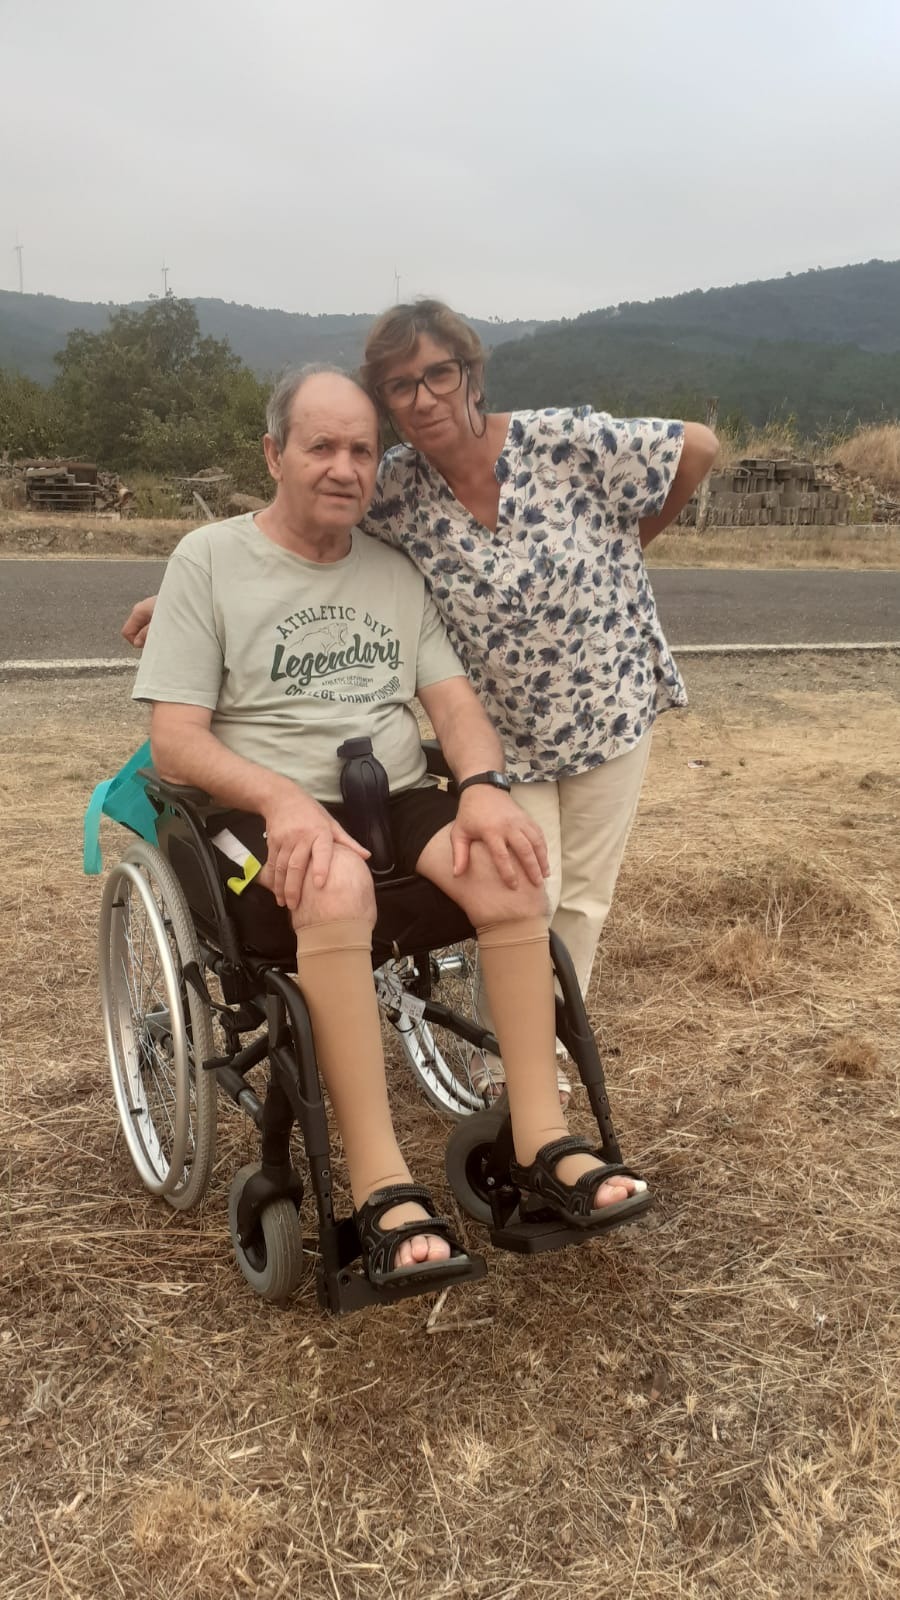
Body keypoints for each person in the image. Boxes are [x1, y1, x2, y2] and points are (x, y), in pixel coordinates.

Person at [122, 301, 718, 1101]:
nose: (425, 396)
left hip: (603, 700)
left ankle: (535, 1069)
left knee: (582, 897)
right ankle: (505, 1069)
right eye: (402, 385)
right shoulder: (393, 484)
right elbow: (285, 539)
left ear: (471, 373)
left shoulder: (559, 439)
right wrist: (179, 601)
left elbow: (697, 447)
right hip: (498, 719)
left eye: (440, 373)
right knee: (530, 882)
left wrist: (624, 544)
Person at [134, 366, 649, 1290]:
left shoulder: (392, 569)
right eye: (321, 447)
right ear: (274, 454)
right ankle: (380, 1186)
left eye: (362, 450)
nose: (344, 467)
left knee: (511, 872)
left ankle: (540, 1142)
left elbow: (452, 704)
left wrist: (483, 787)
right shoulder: (207, 561)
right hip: (254, 809)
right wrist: (284, 802)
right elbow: (174, 740)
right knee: (334, 884)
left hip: (392, 792)